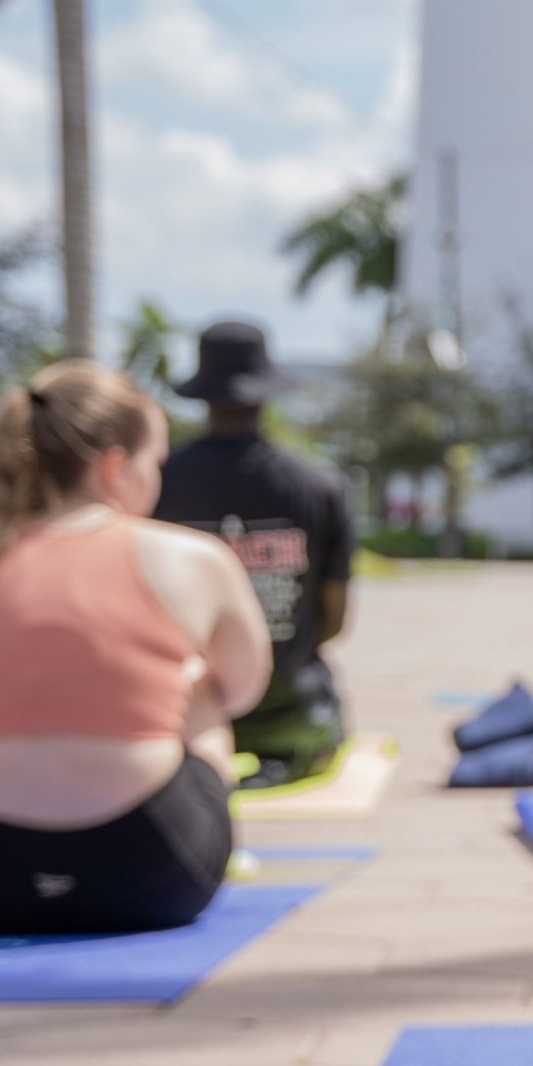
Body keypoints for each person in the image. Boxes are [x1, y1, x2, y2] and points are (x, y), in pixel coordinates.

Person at [0, 363, 272, 936]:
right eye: (156, 461)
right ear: (116, 467)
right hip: (151, 873)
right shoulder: (189, 556)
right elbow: (243, 690)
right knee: (202, 689)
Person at [154, 321, 355, 787]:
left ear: (202, 394)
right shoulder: (318, 485)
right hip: (293, 716)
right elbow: (334, 622)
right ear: (264, 395)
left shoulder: (159, 483)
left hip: (182, 713)